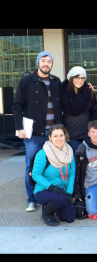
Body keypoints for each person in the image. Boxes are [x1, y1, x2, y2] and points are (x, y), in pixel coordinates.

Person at [12, 51, 63, 212]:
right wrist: (19, 128)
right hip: (33, 133)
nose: (46, 64)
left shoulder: (56, 81)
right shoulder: (27, 81)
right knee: (32, 167)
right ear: (38, 63)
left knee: (54, 164)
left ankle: (50, 194)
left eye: (49, 61)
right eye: (43, 61)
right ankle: (32, 199)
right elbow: (17, 105)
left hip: (53, 133)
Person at [32, 124, 76, 226]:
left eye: (61, 135)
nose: (59, 139)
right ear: (50, 137)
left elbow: (72, 174)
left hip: (62, 192)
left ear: (65, 136)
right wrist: (51, 187)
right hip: (44, 190)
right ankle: (47, 213)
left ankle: (56, 206)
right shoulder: (43, 153)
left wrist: (69, 193)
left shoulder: (69, 153)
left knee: (70, 218)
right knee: (59, 198)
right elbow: (35, 175)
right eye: (55, 136)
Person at [60, 66, 94, 156]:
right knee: (74, 160)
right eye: (77, 77)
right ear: (71, 77)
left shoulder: (88, 91)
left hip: (86, 132)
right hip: (71, 133)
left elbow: (92, 109)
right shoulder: (62, 91)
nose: (80, 80)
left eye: (82, 78)